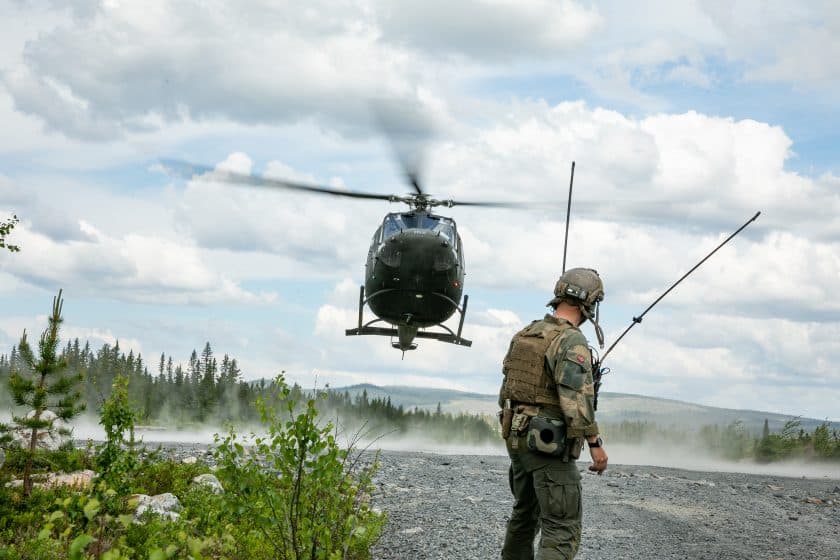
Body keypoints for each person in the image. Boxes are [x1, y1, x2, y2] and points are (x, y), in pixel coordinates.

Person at [499, 268, 608, 560]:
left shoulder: (526, 333)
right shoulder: (571, 341)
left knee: (523, 517)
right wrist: (596, 446)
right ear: (590, 304)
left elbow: (506, 391)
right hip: (546, 445)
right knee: (561, 527)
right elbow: (576, 402)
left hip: (518, 441)